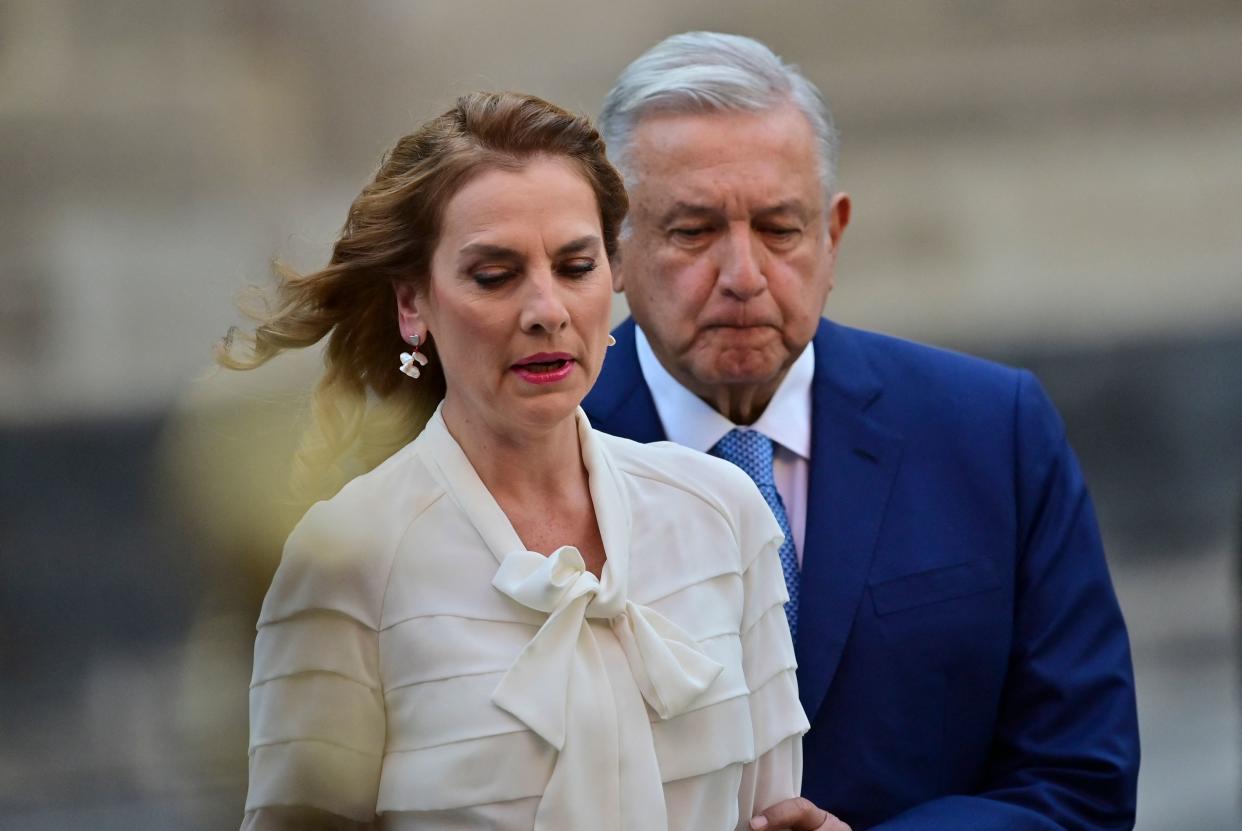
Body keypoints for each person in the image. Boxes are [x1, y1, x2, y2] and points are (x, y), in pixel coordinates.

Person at [584, 32, 1141, 831]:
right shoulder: (534, 450)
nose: (743, 275)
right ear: (614, 247)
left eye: (780, 228)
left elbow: (1083, 780)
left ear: (833, 236)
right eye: (693, 230)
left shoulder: (992, 432)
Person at [221, 91, 814, 830]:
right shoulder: (346, 556)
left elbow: (774, 805)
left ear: (614, 274)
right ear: (415, 303)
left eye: (574, 265)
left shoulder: (723, 511)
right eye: (495, 275)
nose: (546, 309)